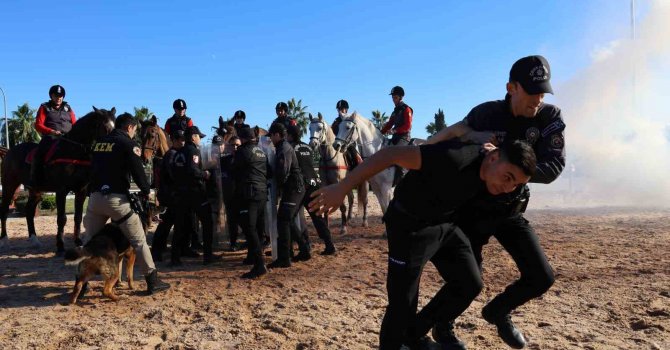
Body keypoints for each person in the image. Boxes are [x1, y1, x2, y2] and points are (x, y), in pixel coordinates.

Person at [309, 140, 536, 349]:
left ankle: (415, 335)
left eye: (516, 184)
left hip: (445, 225)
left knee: (470, 283)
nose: (508, 188)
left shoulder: (491, 167)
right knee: (402, 303)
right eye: (508, 177)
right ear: (494, 158)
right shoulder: (452, 157)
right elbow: (390, 154)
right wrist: (342, 187)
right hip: (409, 227)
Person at [425, 55, 564, 349]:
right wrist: (422, 149)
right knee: (466, 282)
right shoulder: (488, 113)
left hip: (511, 209)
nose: (538, 98)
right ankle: (439, 326)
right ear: (511, 87)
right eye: (532, 90)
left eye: (543, 91)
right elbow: (454, 132)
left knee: (542, 277)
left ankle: (498, 310)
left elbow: (553, 168)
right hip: (473, 209)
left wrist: (509, 172)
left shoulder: (549, 118)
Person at [83, 113, 170, 295]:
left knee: (89, 242)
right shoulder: (128, 144)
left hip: (95, 198)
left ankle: (83, 283)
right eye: (135, 131)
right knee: (139, 241)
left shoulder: (99, 143)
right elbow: (138, 172)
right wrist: (147, 190)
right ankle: (153, 281)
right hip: (116, 200)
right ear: (129, 128)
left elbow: (90, 170)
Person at [171, 126, 219, 265]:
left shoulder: (178, 153)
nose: (200, 140)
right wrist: (204, 174)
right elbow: (193, 170)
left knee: (179, 225)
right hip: (195, 193)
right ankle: (208, 257)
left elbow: (175, 172)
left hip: (181, 193)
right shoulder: (193, 151)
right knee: (207, 222)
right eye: (199, 137)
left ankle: (175, 258)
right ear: (193, 137)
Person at [287, 125, 336, 255]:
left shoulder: (289, 147)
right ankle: (329, 245)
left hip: (301, 185)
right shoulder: (308, 147)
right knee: (317, 217)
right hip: (314, 183)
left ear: (290, 135)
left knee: (288, 218)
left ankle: (303, 247)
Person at [150, 130, 199, 262]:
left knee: (184, 222)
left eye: (184, 140)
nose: (183, 142)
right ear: (175, 141)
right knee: (167, 223)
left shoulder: (178, 153)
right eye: (180, 140)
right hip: (171, 194)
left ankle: (184, 248)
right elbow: (173, 175)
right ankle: (156, 251)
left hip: (176, 194)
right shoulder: (171, 155)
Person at [267, 123, 311, 268]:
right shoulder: (282, 147)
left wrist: (277, 186)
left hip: (293, 188)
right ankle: (304, 250)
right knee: (289, 220)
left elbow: (283, 172)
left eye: (271, 136)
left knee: (283, 220)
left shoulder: (284, 148)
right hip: (295, 188)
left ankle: (284, 258)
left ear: (277, 135)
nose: (271, 139)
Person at [233, 127, 270, 279]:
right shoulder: (261, 152)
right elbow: (269, 171)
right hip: (262, 193)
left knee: (249, 228)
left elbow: (234, 170)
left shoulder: (242, 151)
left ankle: (259, 265)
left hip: (249, 193)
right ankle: (253, 258)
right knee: (258, 228)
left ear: (244, 139)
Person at [29, 85, 77, 187]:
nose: (59, 98)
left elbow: (75, 124)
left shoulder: (68, 108)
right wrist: (52, 131)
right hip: (51, 138)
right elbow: (38, 125)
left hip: (68, 139)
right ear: (51, 96)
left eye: (61, 96)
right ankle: (35, 181)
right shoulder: (44, 107)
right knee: (39, 153)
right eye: (56, 95)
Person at [220, 136, 242, 251]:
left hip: (243, 196)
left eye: (237, 145)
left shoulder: (246, 158)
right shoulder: (223, 160)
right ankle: (233, 243)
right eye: (232, 145)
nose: (235, 147)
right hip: (229, 196)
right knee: (232, 221)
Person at [331, 99, 363, 168]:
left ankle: (358, 169)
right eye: (338, 109)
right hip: (337, 142)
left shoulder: (350, 119)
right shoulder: (336, 121)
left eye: (342, 109)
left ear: (346, 109)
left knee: (354, 155)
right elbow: (331, 131)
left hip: (349, 143)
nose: (340, 111)